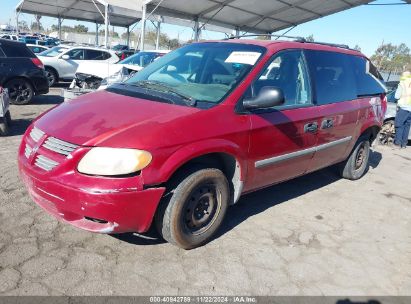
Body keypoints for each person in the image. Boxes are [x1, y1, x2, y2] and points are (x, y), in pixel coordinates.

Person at [393, 66, 411, 149]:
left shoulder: (402, 83)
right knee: (407, 126)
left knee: (399, 125)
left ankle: (397, 143)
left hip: (403, 108)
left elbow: (396, 96)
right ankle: (404, 144)